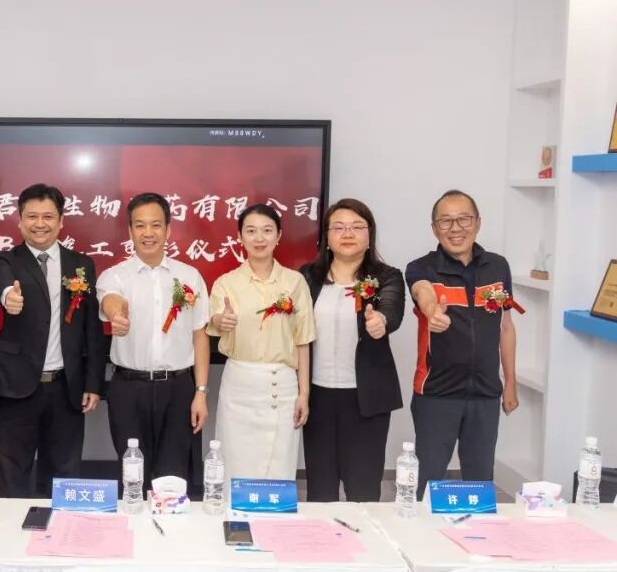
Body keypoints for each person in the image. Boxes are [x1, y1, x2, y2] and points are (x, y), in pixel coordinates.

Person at [0, 183, 107, 497]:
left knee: (64, 471)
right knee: (15, 470)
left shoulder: (81, 265)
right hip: (18, 386)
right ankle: (14, 526)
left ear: (61, 221)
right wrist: (9, 296)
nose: (40, 224)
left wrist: (93, 383)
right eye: (32, 216)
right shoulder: (5, 260)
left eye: (48, 216)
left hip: (66, 387)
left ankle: (61, 525)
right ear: (19, 220)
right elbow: (3, 284)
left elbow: (91, 329)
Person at [406, 189, 519, 499]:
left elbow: (506, 327)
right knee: (428, 484)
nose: (455, 228)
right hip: (436, 394)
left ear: (478, 223)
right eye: (446, 221)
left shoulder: (498, 267)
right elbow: (422, 291)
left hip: (485, 394)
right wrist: (432, 310)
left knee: (479, 486)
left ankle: (475, 530)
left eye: (464, 219)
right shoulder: (421, 267)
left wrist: (510, 383)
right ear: (434, 228)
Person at [96, 192, 210, 494]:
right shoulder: (115, 276)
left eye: (156, 225)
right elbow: (110, 300)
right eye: (140, 225)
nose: (148, 233)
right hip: (128, 389)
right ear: (130, 230)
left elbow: (200, 335)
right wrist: (116, 314)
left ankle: (169, 524)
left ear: (168, 229)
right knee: (132, 474)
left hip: (178, 388)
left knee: (173, 476)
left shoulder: (190, 276)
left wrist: (200, 393)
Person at [299, 198, 405, 501]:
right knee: (320, 489)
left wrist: (380, 321)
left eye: (357, 227)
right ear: (326, 236)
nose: (348, 233)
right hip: (317, 397)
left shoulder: (386, 276)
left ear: (370, 234)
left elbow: (391, 308)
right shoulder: (308, 276)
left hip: (366, 398)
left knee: (363, 489)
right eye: (339, 227)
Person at [206, 204, 315, 481]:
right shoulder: (225, 283)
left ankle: (274, 512)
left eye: (267, 231)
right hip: (239, 385)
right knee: (235, 463)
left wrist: (303, 393)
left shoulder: (294, 282)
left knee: (279, 464)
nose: (259, 238)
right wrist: (221, 320)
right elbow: (215, 320)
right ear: (240, 237)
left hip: (282, 386)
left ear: (278, 236)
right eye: (251, 231)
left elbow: (303, 341)